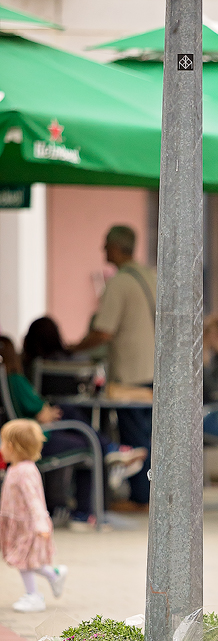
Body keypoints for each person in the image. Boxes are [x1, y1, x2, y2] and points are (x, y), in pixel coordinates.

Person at [0, 336, 146, 527]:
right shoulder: (15, 380)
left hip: (29, 435)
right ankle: (83, 513)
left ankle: (110, 449)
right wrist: (47, 412)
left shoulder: (7, 381)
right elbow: (41, 412)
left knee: (70, 415)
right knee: (89, 445)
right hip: (37, 438)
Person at [71, 225, 155, 510]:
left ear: (117, 247)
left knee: (136, 437)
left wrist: (73, 348)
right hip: (156, 371)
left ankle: (140, 498)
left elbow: (103, 332)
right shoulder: (152, 276)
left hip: (131, 373)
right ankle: (149, 496)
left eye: (106, 244)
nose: (103, 249)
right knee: (152, 434)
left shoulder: (119, 283)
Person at [0, 419, 67, 612]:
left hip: (29, 526)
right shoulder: (16, 468)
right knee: (25, 560)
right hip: (18, 524)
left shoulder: (24, 471)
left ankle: (34, 596)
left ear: (12, 446)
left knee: (25, 561)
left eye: (3, 442)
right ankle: (54, 574)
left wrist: (40, 524)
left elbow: (34, 499)